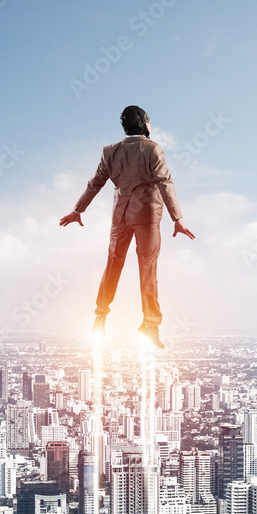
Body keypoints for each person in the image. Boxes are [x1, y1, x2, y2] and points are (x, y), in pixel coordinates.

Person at [59, 106, 195, 347]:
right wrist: (177, 218)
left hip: (120, 217)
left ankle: (100, 314)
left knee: (113, 264)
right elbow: (165, 183)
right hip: (147, 217)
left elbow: (95, 183)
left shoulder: (110, 151)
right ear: (144, 123)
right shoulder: (153, 149)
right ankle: (150, 324)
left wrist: (78, 210)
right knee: (148, 269)